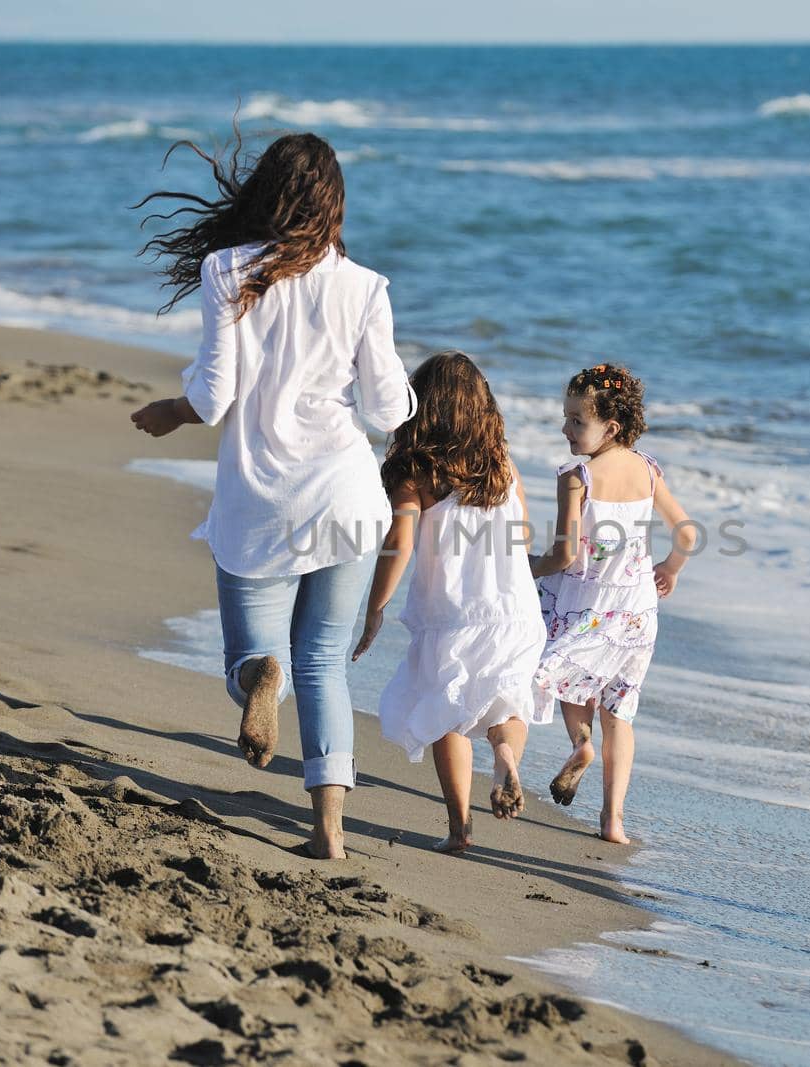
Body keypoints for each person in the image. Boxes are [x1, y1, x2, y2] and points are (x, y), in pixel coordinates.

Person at [129, 131, 415, 860]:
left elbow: (216, 394)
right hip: (347, 495)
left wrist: (173, 409)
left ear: (265, 194)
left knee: (261, 657)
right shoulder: (365, 287)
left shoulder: (226, 269)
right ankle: (329, 828)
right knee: (324, 660)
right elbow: (387, 411)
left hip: (260, 497)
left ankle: (259, 678)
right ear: (334, 206)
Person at [353, 351, 551, 853]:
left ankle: (460, 828)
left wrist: (375, 607)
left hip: (453, 616)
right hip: (515, 610)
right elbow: (522, 534)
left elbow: (398, 546)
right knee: (506, 700)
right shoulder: (501, 464)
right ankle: (506, 759)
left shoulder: (413, 471)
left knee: (449, 714)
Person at [530, 363, 695, 845]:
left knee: (568, 683)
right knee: (620, 711)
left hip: (588, 602)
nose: (566, 429)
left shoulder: (577, 474)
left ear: (611, 426)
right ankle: (614, 822)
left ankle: (581, 746)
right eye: (566, 418)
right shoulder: (647, 468)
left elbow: (564, 554)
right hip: (639, 609)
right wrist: (671, 569)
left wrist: (528, 567)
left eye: (577, 421)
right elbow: (686, 532)